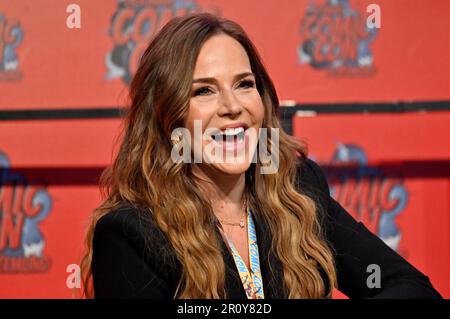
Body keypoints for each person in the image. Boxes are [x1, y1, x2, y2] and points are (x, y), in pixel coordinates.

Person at [80, 13, 442, 299]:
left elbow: (410, 287)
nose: (232, 107)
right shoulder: (131, 234)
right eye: (204, 91)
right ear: (167, 117)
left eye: (244, 84)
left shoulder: (297, 187)